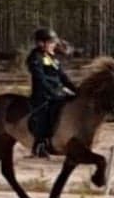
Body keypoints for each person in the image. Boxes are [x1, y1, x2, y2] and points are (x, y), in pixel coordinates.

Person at [26, 27, 77, 158]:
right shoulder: (35, 57)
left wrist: (77, 90)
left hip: (57, 92)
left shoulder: (52, 58)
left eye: (54, 42)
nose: (54, 45)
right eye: (51, 42)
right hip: (43, 94)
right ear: (41, 43)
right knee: (45, 113)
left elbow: (63, 77)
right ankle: (39, 145)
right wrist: (54, 92)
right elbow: (40, 79)